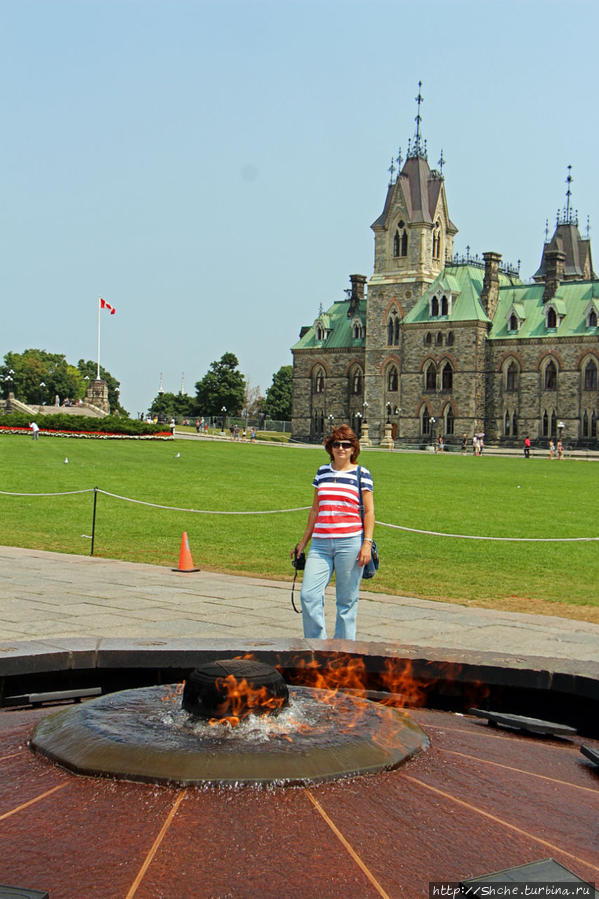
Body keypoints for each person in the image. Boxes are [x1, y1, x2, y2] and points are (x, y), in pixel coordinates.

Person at [291, 425, 374, 640]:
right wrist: (303, 542)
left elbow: (369, 512)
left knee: (346, 602)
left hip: (350, 543)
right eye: (336, 444)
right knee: (309, 595)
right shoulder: (322, 472)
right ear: (330, 448)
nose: (341, 449)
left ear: (353, 449)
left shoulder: (361, 474)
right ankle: (317, 645)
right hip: (321, 544)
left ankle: (343, 652)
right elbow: (315, 510)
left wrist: (367, 543)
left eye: (346, 445)